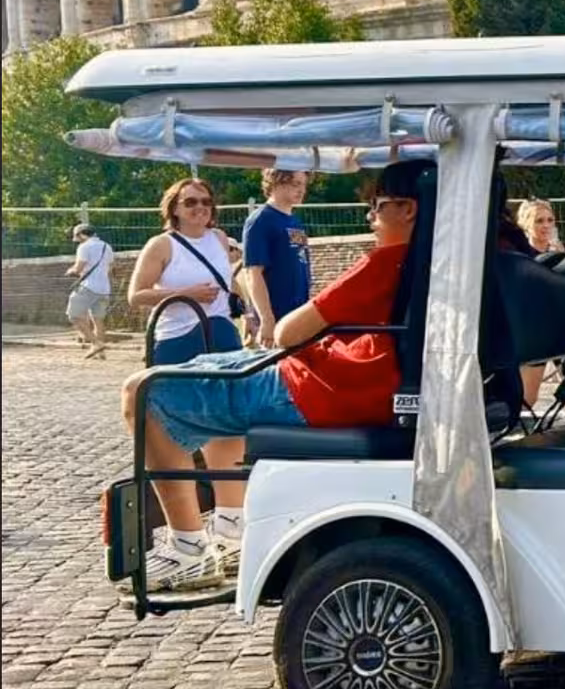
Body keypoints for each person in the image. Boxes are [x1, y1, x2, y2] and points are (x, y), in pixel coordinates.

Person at [121, 159, 430, 592]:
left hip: (319, 388)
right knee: (209, 376)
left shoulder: (389, 262)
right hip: (343, 381)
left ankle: (188, 548)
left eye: (377, 207)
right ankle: (230, 526)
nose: (369, 216)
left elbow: (289, 331)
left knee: (143, 390)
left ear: (408, 209)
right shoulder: (434, 262)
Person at [129, 178, 243, 366]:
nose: (200, 207)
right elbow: (136, 296)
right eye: (191, 202)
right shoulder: (162, 245)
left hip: (222, 333)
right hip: (178, 337)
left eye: (206, 202)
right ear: (174, 209)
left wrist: (247, 312)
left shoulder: (219, 237)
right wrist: (186, 295)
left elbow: (227, 279)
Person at [241, 169, 311, 349]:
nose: (301, 190)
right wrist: (267, 318)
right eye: (295, 184)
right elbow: (253, 273)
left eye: (303, 184)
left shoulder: (295, 221)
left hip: (296, 314)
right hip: (276, 317)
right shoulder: (260, 220)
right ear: (276, 183)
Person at [516, 198, 565, 410]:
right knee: (529, 396)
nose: (546, 225)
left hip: (560, 327)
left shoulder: (558, 252)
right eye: (539, 221)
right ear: (527, 224)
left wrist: (563, 259)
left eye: (549, 220)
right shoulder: (521, 256)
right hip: (535, 330)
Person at [65, 222, 114, 360]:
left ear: (81, 234)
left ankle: (96, 343)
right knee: (98, 320)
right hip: (104, 288)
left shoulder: (84, 247)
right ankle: (100, 353)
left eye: (77, 237)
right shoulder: (107, 246)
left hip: (88, 287)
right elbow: (109, 268)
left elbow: (78, 268)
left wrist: (70, 271)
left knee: (73, 315)